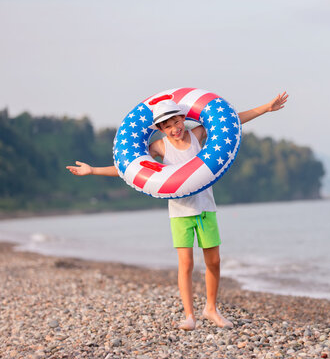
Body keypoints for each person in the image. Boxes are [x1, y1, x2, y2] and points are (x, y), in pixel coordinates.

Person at [66, 92, 288, 330]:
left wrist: (266, 108)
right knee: (186, 263)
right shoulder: (159, 147)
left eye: (176, 122)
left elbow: (232, 121)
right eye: (168, 126)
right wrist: (93, 171)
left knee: (214, 260)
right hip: (180, 212)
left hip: (205, 208)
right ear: (160, 128)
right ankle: (189, 315)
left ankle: (211, 309)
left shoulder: (197, 134)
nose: (174, 129)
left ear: (183, 117)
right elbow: (127, 169)